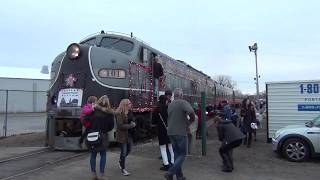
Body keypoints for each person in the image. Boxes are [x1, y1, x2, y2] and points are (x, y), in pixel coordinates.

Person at [164, 88, 195, 180]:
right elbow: (191, 112)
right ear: (181, 95)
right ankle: (170, 172)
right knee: (183, 154)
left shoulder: (170, 104)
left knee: (177, 154)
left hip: (170, 133)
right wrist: (190, 121)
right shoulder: (183, 102)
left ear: (174, 95)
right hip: (180, 132)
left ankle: (179, 176)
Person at [87, 95, 115, 180]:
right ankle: (102, 175)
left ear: (99, 101)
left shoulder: (93, 111)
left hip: (93, 134)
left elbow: (87, 121)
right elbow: (111, 126)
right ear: (108, 103)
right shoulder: (109, 113)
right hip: (103, 135)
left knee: (93, 154)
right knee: (103, 155)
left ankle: (93, 175)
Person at [152, 95, 174, 171]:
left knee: (163, 148)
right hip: (170, 129)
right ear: (165, 101)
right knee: (171, 147)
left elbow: (153, 122)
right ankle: (173, 162)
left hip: (161, 130)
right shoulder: (169, 108)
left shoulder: (157, 109)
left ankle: (166, 164)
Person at [115, 99, 136, 176]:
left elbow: (133, 119)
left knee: (129, 150)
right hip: (122, 136)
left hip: (129, 135)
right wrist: (131, 125)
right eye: (129, 103)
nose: (131, 104)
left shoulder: (129, 112)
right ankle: (123, 169)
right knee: (123, 152)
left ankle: (121, 161)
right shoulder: (119, 113)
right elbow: (120, 126)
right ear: (125, 104)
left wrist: (133, 121)